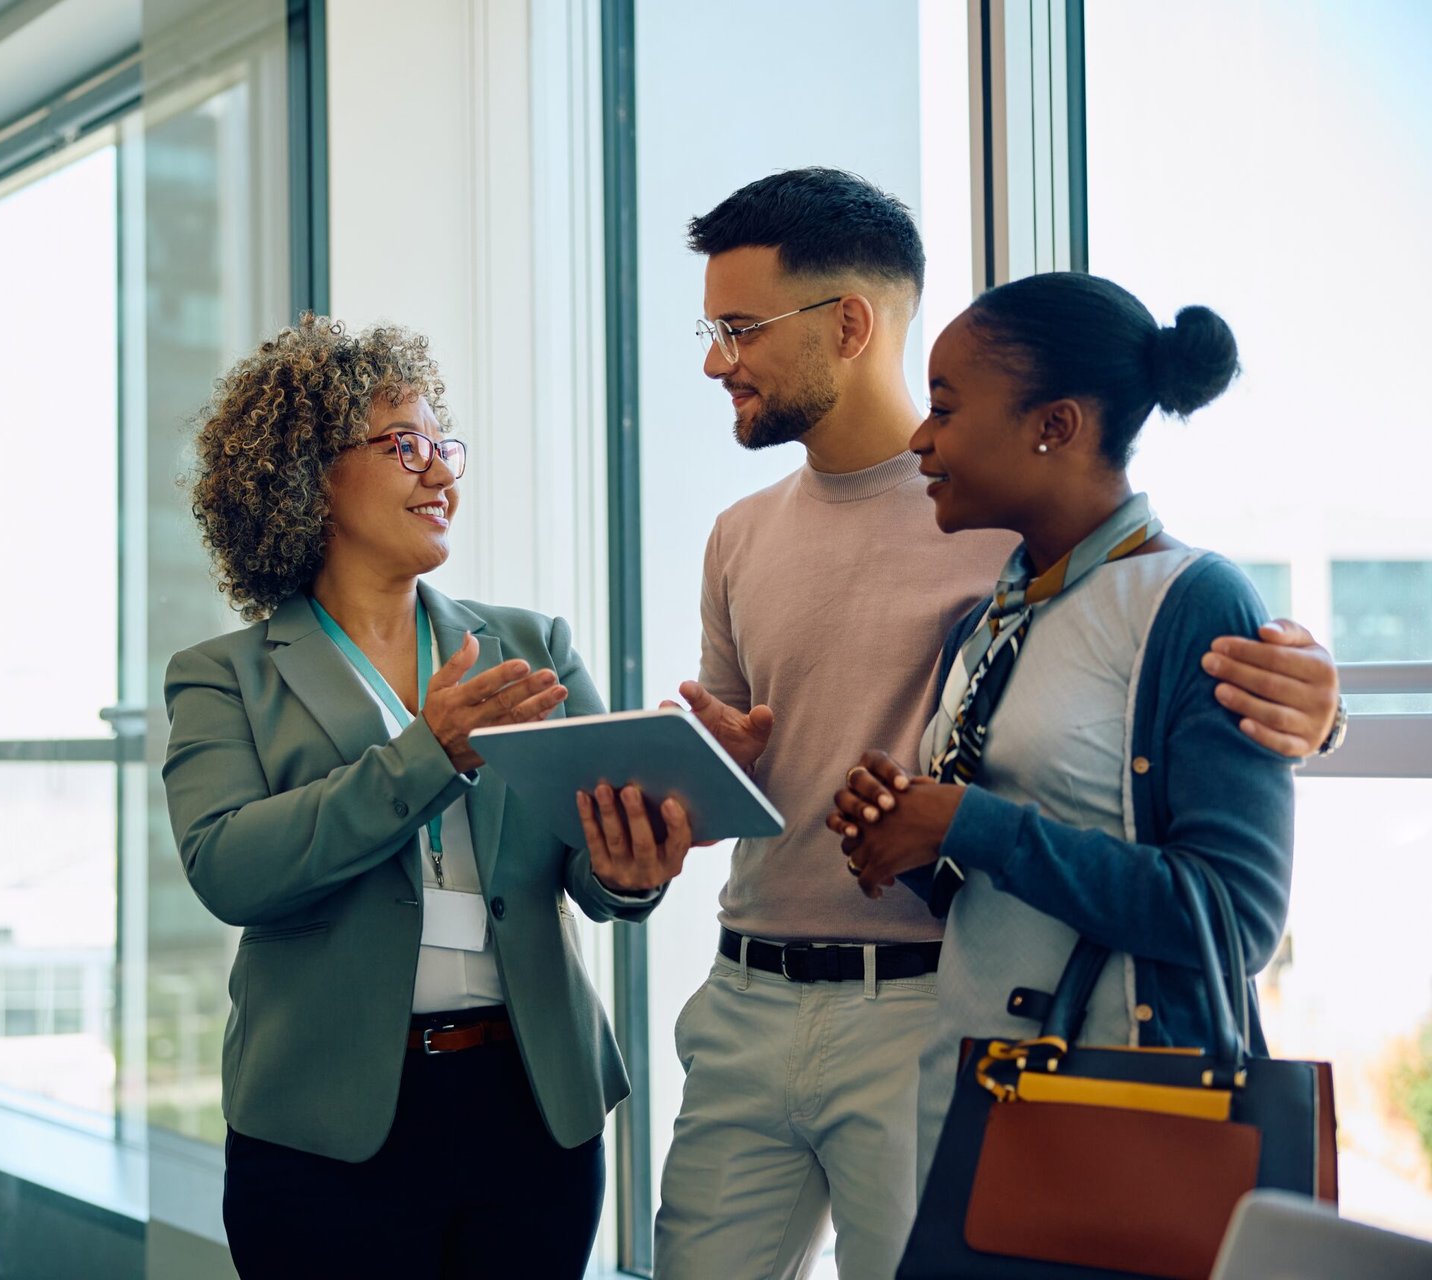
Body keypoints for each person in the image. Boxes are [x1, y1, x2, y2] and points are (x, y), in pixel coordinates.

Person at [569, 168, 1342, 1280]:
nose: (713, 359)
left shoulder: (1015, 527)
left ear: (846, 324)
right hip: (746, 994)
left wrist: (1326, 713)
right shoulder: (758, 539)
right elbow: (802, 778)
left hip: (930, 1012)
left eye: (738, 327)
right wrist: (688, 792)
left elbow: (1184, 671)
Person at [161, 316, 691, 1279]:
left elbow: (594, 867)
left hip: (534, 1105)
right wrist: (426, 754)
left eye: (445, 445)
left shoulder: (531, 645)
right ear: (307, 473)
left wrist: (632, 867)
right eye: (406, 445)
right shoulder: (224, 675)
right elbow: (230, 869)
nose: (441, 473)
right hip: (324, 1124)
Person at [828, 273, 1294, 1196]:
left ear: (1058, 425)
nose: (919, 438)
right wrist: (904, 831)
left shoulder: (1193, 601)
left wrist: (966, 822)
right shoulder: (990, 620)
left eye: (946, 408)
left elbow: (1233, 920)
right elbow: (990, 886)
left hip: (1119, 1111)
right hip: (970, 1100)